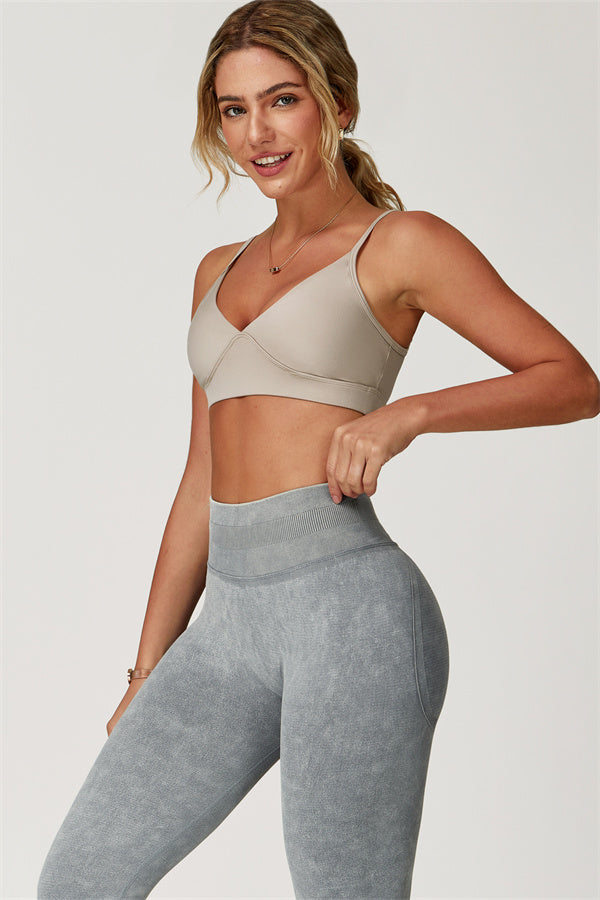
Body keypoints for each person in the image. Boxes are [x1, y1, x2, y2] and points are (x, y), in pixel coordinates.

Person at [37, 1, 600, 897]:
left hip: (354, 618)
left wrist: (406, 415)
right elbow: (200, 478)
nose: (257, 133)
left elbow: (571, 380)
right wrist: (149, 668)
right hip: (228, 626)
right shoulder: (216, 269)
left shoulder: (401, 243)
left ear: (339, 103)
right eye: (233, 109)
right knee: (79, 879)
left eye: (282, 100)